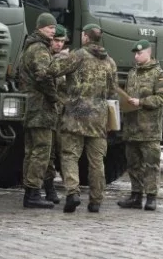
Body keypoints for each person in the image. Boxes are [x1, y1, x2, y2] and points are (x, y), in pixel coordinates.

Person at [49, 23, 118, 213]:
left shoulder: (78, 56)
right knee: (97, 161)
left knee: (70, 155)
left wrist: (59, 56)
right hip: (98, 118)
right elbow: (113, 91)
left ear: (86, 37)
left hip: (76, 114)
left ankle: (73, 193)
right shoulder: (110, 62)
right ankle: (96, 200)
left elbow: (54, 70)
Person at [117, 39, 163, 211]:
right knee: (133, 164)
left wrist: (141, 102)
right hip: (132, 128)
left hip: (149, 129)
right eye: (135, 53)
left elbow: (162, 98)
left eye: (139, 53)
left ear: (148, 53)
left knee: (151, 164)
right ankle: (136, 195)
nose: (136, 56)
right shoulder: (132, 73)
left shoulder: (158, 74)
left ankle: (151, 197)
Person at [18, 12, 59, 209]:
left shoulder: (28, 47)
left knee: (31, 151)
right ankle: (33, 192)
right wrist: (54, 97)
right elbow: (45, 77)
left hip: (30, 106)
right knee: (41, 150)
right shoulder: (40, 50)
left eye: (54, 28)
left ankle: (30, 191)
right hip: (41, 107)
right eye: (50, 27)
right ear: (41, 28)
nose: (53, 31)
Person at [42, 24, 68, 204]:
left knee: (64, 151)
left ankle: (69, 189)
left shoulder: (67, 60)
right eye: (55, 40)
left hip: (63, 115)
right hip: (47, 112)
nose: (58, 44)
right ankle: (49, 189)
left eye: (61, 41)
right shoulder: (44, 59)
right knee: (47, 152)